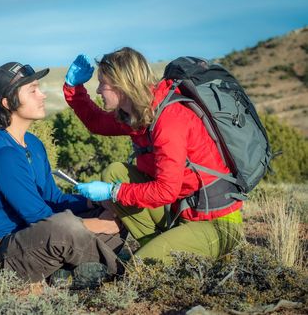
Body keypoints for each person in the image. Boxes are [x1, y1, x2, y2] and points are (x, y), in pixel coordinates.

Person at [63, 48, 244, 263]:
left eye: (103, 83)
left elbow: (166, 191)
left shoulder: (168, 119)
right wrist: (74, 88)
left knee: (140, 268)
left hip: (215, 223)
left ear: (122, 84)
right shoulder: (140, 114)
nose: (100, 90)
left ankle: (164, 254)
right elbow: (97, 122)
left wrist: (113, 192)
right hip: (182, 212)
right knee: (115, 172)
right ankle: (160, 247)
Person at [0, 61, 124, 286]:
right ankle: (119, 266)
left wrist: (93, 204)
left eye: (39, 88)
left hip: (34, 240)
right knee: (66, 227)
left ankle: (68, 273)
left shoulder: (32, 143)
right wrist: (101, 224)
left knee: (112, 207)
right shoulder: (3, 156)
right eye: (32, 90)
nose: (42, 95)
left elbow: (55, 199)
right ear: (7, 102)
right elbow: (42, 218)